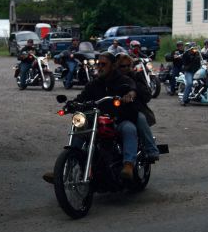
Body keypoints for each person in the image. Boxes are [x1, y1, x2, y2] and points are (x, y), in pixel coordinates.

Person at [43, 52, 139, 183]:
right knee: (79, 130)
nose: (99, 67)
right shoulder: (94, 83)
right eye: (98, 64)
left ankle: (128, 165)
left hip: (118, 119)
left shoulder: (123, 80)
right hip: (97, 120)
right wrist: (71, 105)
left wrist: (129, 94)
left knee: (129, 128)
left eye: (103, 64)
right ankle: (65, 170)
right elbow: (82, 97)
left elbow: (132, 88)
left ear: (113, 66)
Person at [115, 53, 160, 161]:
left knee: (140, 118)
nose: (125, 68)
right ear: (116, 66)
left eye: (127, 66)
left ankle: (151, 149)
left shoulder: (136, 77)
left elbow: (147, 96)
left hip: (135, 109)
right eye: (122, 66)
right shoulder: (112, 78)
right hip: (115, 110)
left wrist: (135, 89)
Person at [181, 42, 201, 106]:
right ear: (190, 48)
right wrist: (191, 56)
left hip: (197, 71)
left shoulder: (198, 53)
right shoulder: (186, 54)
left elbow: (204, 57)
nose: (194, 49)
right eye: (193, 47)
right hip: (189, 71)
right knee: (189, 83)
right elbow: (184, 61)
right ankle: (184, 100)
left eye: (195, 47)